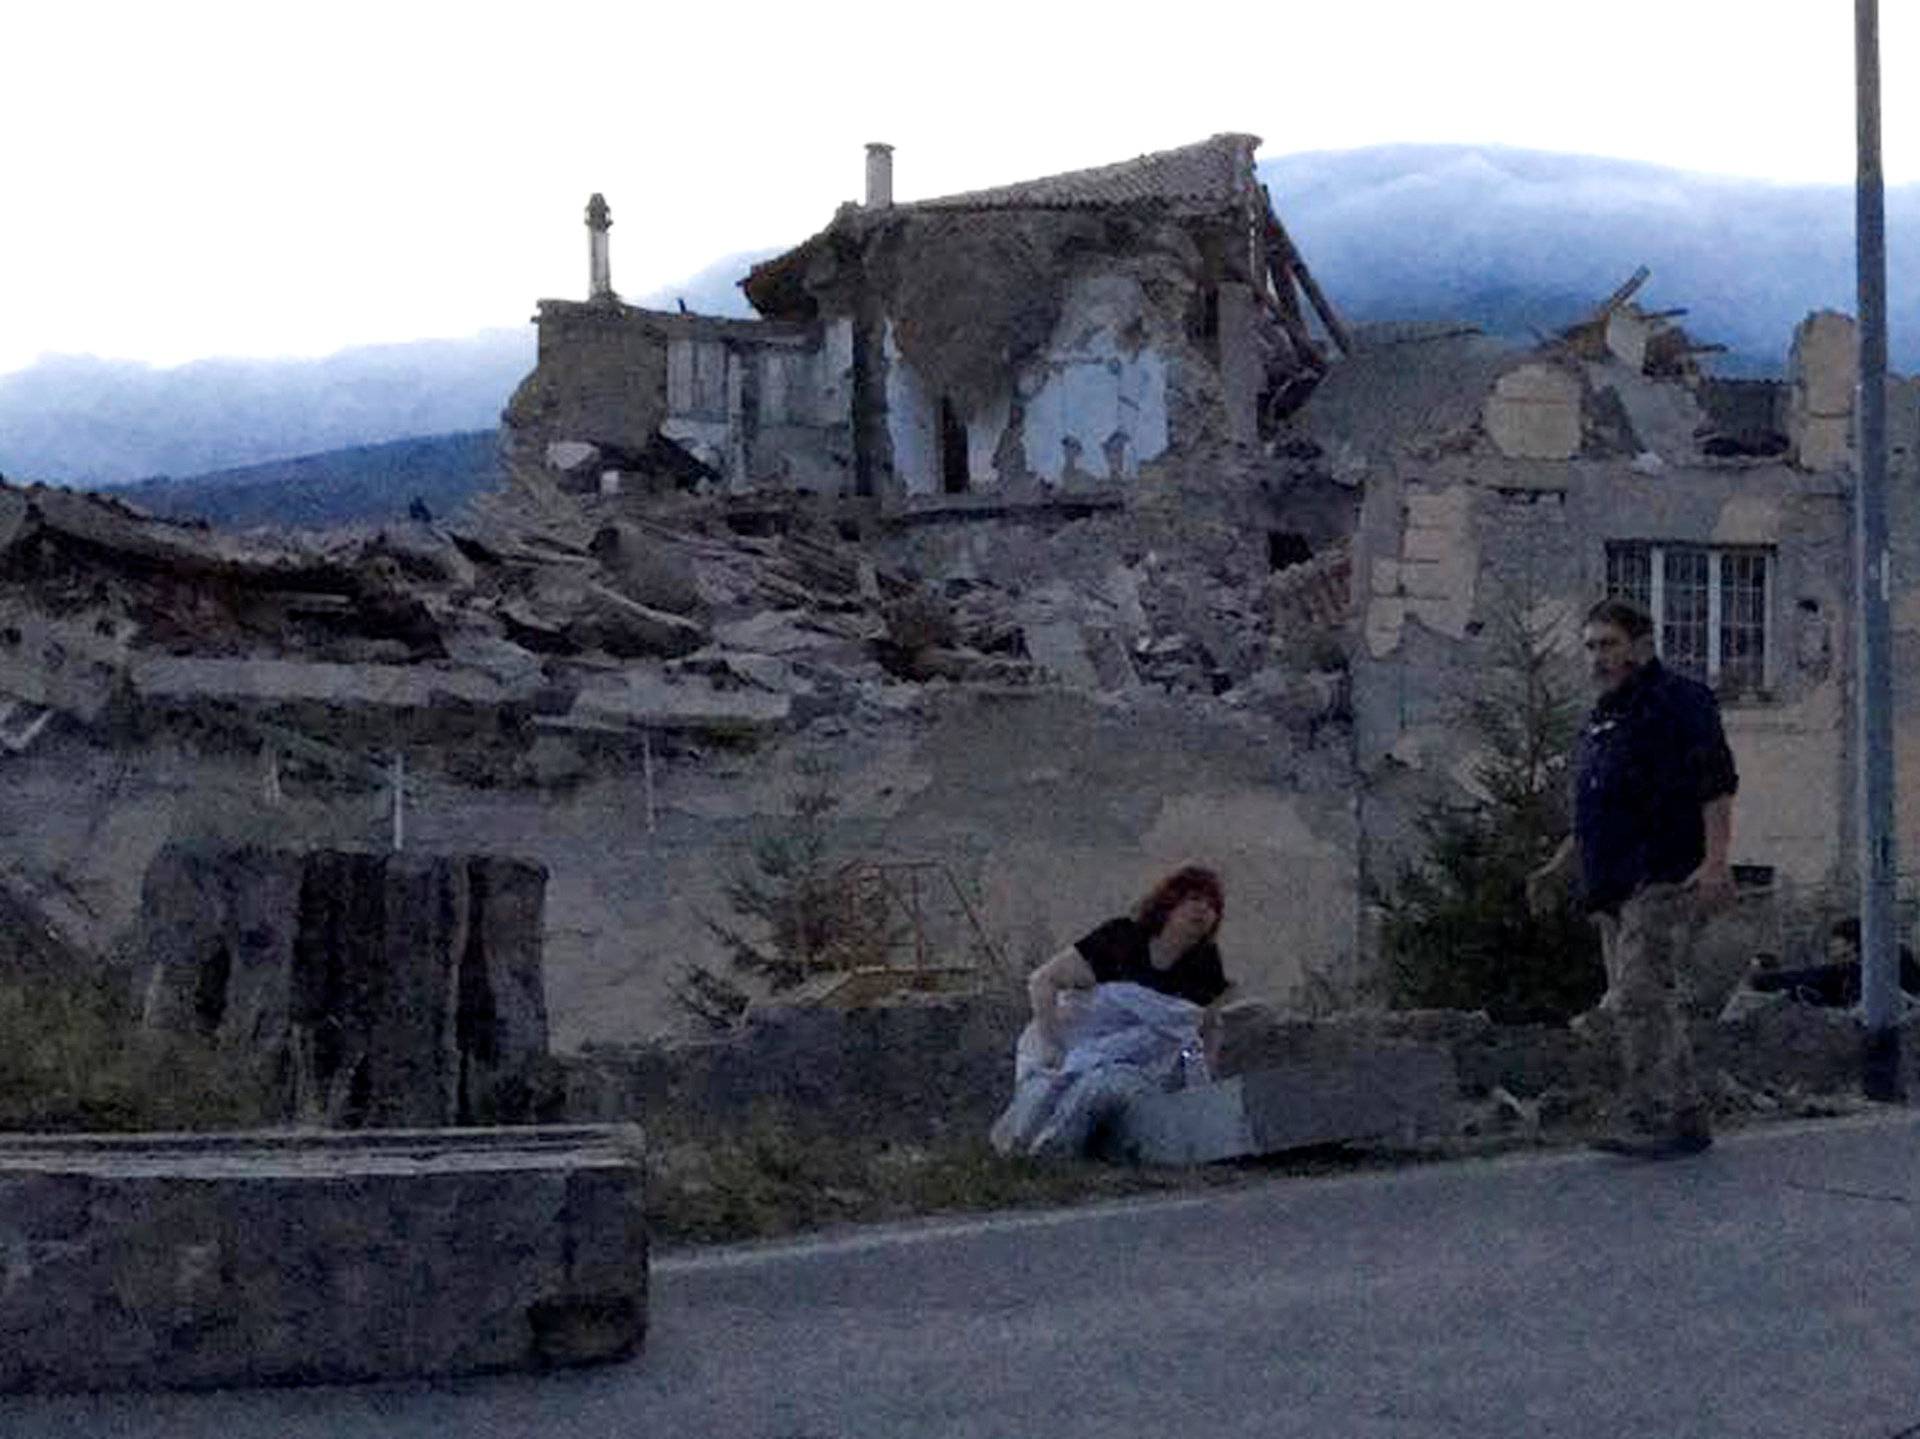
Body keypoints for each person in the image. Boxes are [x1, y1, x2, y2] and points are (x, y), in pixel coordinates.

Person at [1528, 597, 1738, 1159]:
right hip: (1612, 885)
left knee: (1641, 995)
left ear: (1641, 647)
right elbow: (1598, 806)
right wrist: (1558, 866)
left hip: (1663, 873)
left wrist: (1716, 863)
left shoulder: (1679, 702)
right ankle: (1686, 1114)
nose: (1598, 657)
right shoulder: (1602, 716)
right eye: (1591, 646)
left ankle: (1653, 1114)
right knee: (1641, 1000)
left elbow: (1716, 784)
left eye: (1609, 644)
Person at [1026, 864, 1235, 1074]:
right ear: (1170, 901)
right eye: (1194, 899)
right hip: (1078, 1061)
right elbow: (1043, 981)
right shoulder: (1120, 939)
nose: (1203, 909)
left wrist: (1205, 1071)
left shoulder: (1205, 962)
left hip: (1145, 1078)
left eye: (1212, 905)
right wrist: (1052, 1046)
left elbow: (1207, 1024)